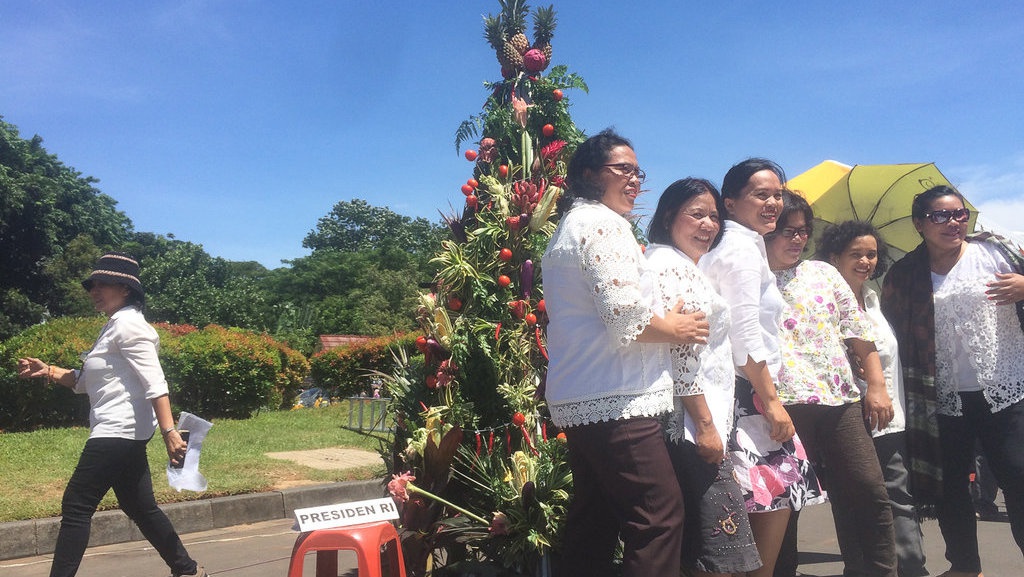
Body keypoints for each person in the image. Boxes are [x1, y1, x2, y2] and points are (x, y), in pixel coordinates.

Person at [542, 129, 710, 577]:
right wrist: (677, 326)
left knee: (593, 520)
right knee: (659, 516)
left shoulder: (571, 226)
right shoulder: (601, 223)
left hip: (586, 396)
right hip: (619, 399)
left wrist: (662, 318)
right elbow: (624, 317)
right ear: (589, 175)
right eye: (623, 169)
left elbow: (605, 312)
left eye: (638, 171)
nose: (635, 180)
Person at [17, 252, 207, 577]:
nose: (95, 290)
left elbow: (155, 382)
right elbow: (83, 382)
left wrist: (169, 431)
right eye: (93, 284)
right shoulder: (114, 326)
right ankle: (186, 570)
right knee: (140, 507)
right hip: (124, 433)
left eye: (103, 284)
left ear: (126, 289)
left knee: (76, 505)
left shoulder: (131, 326)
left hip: (116, 432)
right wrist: (47, 370)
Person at [881, 185, 1024, 577]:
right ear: (919, 224)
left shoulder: (999, 252)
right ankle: (964, 567)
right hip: (941, 398)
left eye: (959, 214)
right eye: (940, 216)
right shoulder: (905, 274)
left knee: (1019, 480)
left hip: (1006, 390)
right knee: (951, 490)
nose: (953, 223)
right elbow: (889, 330)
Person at [699, 159, 824, 577]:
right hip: (743, 398)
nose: (773, 202)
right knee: (767, 503)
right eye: (761, 194)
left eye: (778, 194)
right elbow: (745, 333)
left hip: (741, 394)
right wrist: (771, 403)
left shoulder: (744, 245)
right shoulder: (739, 249)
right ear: (730, 202)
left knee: (756, 509)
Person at [767, 192, 897, 577]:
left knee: (869, 489)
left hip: (839, 401)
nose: (797, 239)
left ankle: (877, 572)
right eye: (788, 230)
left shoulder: (822, 272)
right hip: (779, 406)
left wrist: (876, 385)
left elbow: (859, 333)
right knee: (784, 504)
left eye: (803, 231)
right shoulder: (746, 277)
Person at [646, 178, 763, 576]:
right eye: (696, 214)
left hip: (692, 422)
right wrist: (707, 426)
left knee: (698, 542)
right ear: (667, 216)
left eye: (714, 216)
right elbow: (682, 355)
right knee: (721, 544)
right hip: (691, 425)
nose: (709, 225)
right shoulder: (670, 266)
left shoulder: (676, 263)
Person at [816, 220, 927, 576]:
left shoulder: (873, 300)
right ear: (834, 258)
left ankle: (910, 568)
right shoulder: (823, 302)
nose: (866, 261)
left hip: (889, 418)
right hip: (849, 419)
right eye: (856, 254)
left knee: (896, 497)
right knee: (855, 502)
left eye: (871, 254)